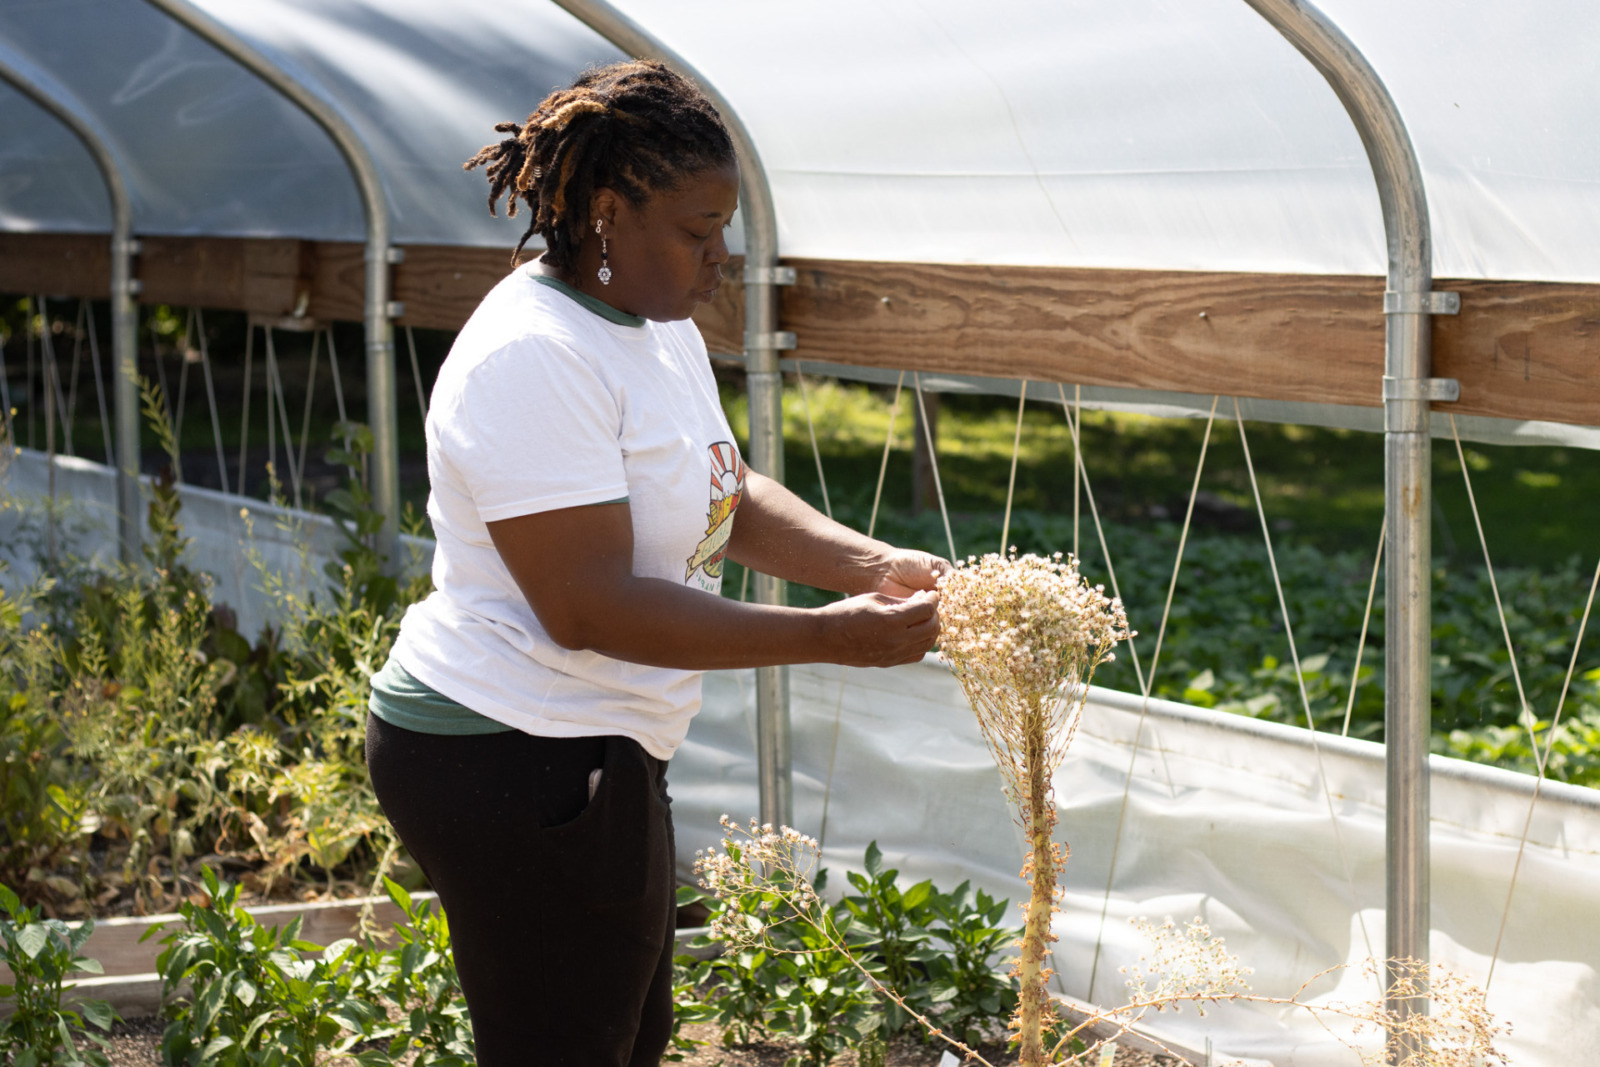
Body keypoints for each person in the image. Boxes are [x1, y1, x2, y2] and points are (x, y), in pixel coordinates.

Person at [364, 59, 946, 1066]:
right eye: (696, 229)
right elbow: (585, 605)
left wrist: (867, 563)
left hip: (586, 740)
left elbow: (721, 488)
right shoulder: (533, 355)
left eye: (721, 228)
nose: (717, 256)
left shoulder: (648, 323)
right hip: (512, 748)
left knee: (623, 1038)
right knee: (569, 1044)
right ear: (604, 211)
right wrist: (830, 640)